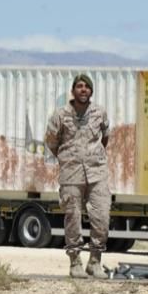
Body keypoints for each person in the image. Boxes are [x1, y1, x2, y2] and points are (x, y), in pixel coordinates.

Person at [45, 73, 111, 278]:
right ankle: (75, 262)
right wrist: (67, 158)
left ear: (91, 91)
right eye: (79, 86)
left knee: (102, 216)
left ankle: (95, 261)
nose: (83, 89)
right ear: (73, 90)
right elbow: (51, 141)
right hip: (71, 173)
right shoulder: (61, 114)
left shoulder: (99, 113)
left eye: (87, 87)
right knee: (72, 216)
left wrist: (93, 156)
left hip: (97, 172)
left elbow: (105, 137)